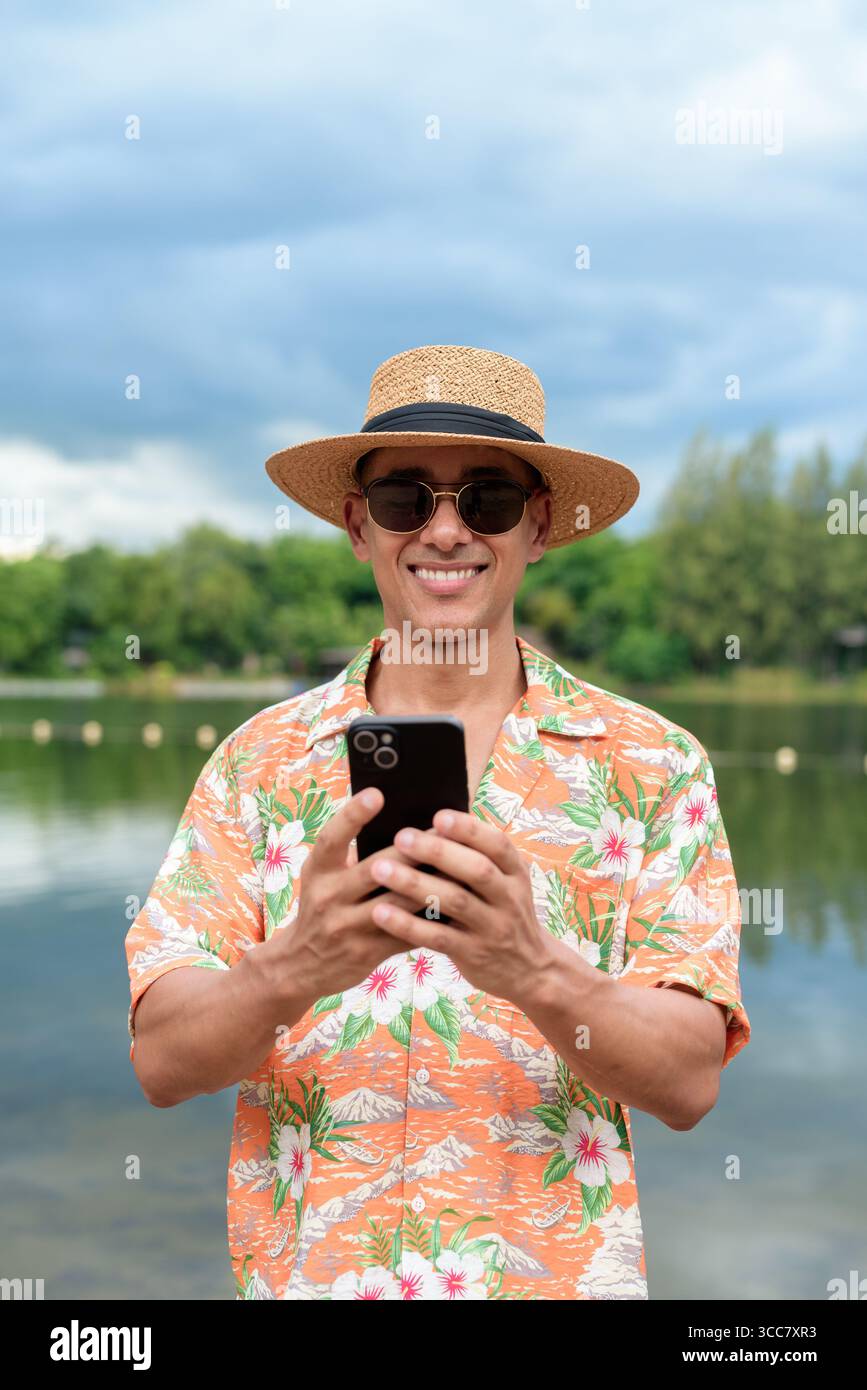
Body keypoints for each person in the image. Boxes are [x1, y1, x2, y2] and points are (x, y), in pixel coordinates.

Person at [124, 344, 751, 1300]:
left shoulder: (656, 765)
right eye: (405, 498)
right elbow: (163, 1064)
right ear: (356, 524)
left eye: (488, 498)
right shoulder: (255, 765)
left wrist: (534, 968)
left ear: (537, 526)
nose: (446, 530)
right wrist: (293, 966)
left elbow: (688, 1083)